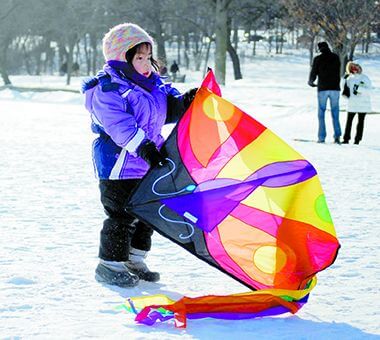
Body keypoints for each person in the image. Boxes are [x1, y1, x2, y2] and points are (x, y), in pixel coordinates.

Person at [82, 23, 197, 287]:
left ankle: (134, 259)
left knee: (147, 213)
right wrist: (144, 148)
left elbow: (167, 111)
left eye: (148, 57)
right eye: (139, 58)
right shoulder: (108, 89)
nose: (146, 64)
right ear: (122, 58)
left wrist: (186, 102)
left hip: (148, 162)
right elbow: (119, 126)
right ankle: (109, 264)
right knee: (121, 215)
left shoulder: (153, 85)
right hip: (119, 165)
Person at [308, 41, 342, 144]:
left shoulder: (318, 59)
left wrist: (311, 81)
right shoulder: (336, 57)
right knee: (335, 113)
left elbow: (313, 72)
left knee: (321, 113)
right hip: (335, 88)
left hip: (322, 88)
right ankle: (337, 136)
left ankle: (321, 137)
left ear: (319, 49)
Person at [342, 62, 372, 145]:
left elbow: (369, 90)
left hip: (363, 104)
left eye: (357, 67)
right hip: (352, 103)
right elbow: (344, 90)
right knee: (349, 122)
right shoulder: (349, 78)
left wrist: (359, 89)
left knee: (360, 122)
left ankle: (357, 140)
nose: (355, 69)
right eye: (353, 67)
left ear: (360, 68)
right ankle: (346, 139)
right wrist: (343, 79)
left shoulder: (365, 78)